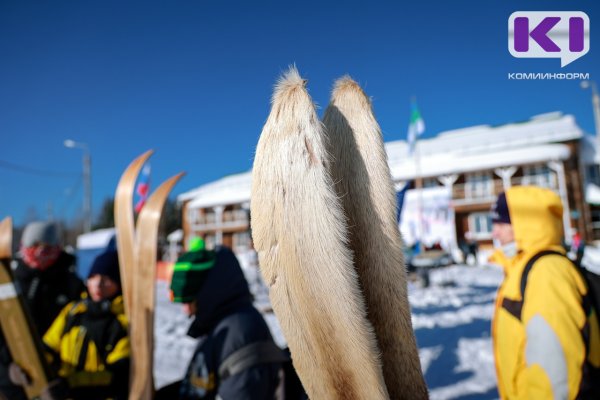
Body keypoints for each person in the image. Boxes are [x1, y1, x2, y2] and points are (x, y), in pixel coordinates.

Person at [490, 186, 600, 399]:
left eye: (501, 223)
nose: (495, 232)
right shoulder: (524, 267)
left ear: (525, 224)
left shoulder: (546, 273)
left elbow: (554, 373)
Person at [167, 238, 284, 400]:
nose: (185, 310)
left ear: (205, 294)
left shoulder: (241, 332)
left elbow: (242, 390)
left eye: (188, 301)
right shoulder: (216, 324)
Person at [0, 221, 85, 400]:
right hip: (15, 379)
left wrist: (66, 381)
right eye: (34, 246)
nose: (40, 253)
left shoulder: (71, 283)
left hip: (59, 379)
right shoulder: (9, 280)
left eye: (47, 247)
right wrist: (8, 370)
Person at [39, 249, 129, 400]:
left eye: (107, 278)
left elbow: (117, 376)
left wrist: (71, 384)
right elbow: (47, 348)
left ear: (119, 283)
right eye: (93, 277)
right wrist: (29, 368)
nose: (98, 285)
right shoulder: (73, 311)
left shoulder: (123, 323)